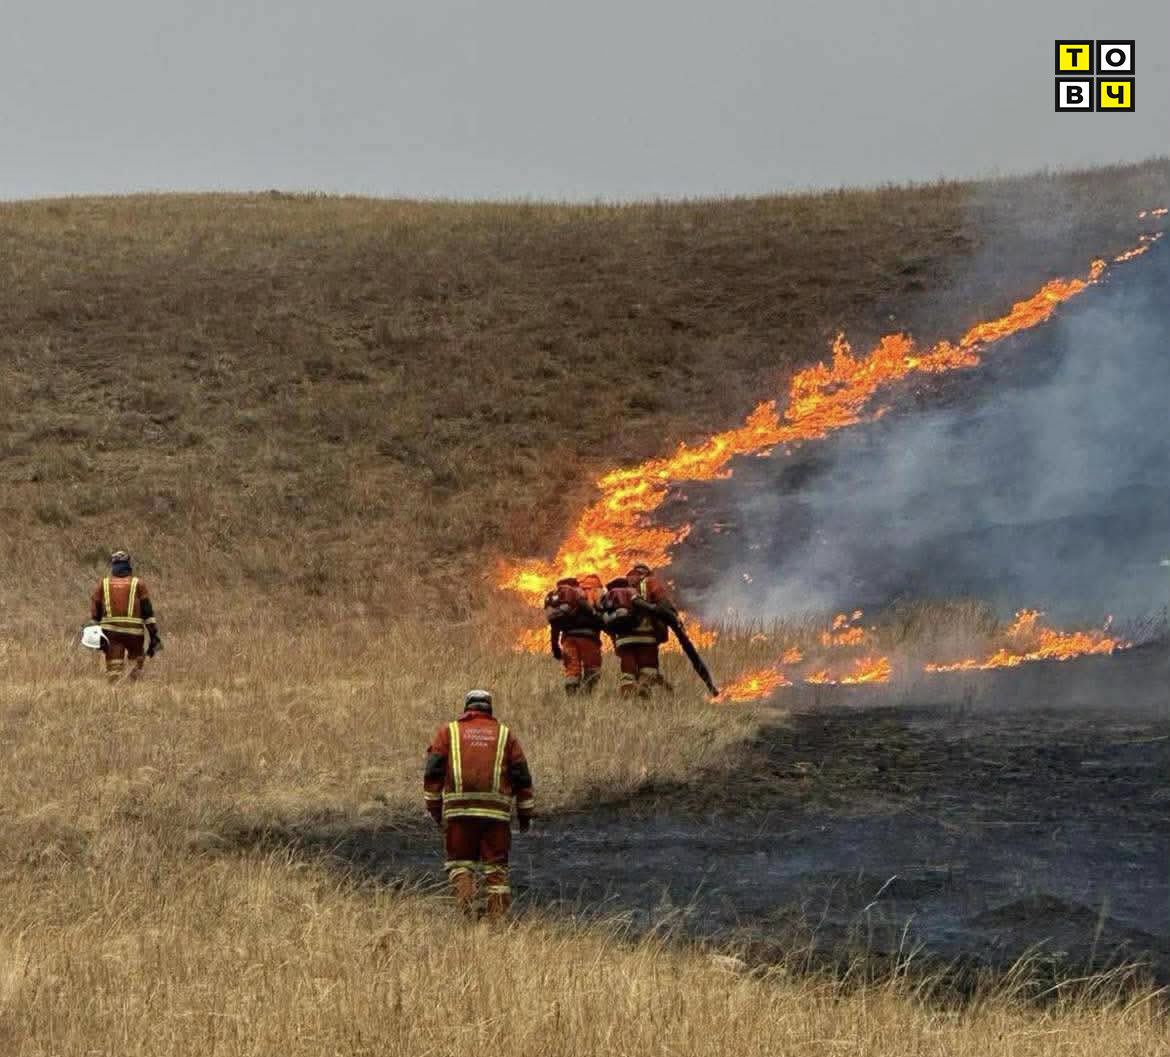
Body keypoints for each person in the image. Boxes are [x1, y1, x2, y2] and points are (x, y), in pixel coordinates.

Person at [423, 689, 535, 917]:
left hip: (459, 815)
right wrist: (525, 815)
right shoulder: (505, 735)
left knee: (460, 864)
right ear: (489, 708)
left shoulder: (448, 732)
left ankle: (467, 911)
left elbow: (432, 773)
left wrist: (436, 811)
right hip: (496, 817)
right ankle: (498, 921)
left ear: (467, 707)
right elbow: (522, 777)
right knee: (497, 870)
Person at [601, 563, 676, 696]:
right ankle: (643, 688)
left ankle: (628, 694)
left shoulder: (619, 588)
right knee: (649, 669)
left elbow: (607, 619)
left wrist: (615, 641)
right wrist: (672, 617)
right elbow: (664, 604)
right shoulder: (650, 583)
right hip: (646, 636)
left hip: (623, 639)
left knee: (627, 672)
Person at [89, 550, 162, 684]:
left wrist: (94, 628)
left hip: (111, 634)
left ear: (113, 565)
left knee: (114, 670)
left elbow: (95, 610)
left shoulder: (103, 584)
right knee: (135, 664)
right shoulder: (138, 584)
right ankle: (131, 687)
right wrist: (153, 635)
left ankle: (115, 689)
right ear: (128, 565)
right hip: (135, 634)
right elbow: (148, 613)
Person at [543, 573, 604, 693]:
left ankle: (572, 695)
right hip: (588, 639)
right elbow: (599, 618)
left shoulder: (560, 601)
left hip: (568, 640)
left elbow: (555, 624)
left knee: (572, 670)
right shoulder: (587, 595)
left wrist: (555, 647)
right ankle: (586, 694)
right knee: (592, 668)